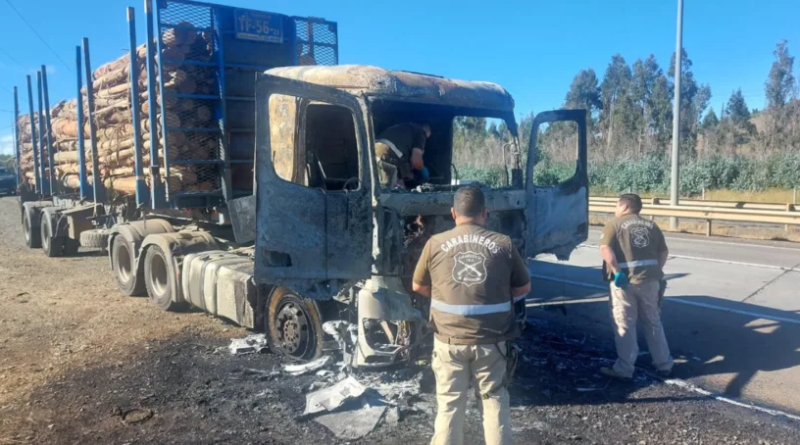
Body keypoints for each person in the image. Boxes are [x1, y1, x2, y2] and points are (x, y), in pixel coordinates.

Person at [412, 186, 530, 445]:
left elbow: (418, 286)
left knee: (450, 404)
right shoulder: (504, 244)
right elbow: (523, 288)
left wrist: (445, 294)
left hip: (448, 341)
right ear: (485, 213)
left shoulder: (435, 243)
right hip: (492, 341)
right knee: (493, 401)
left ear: (453, 213)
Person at [599, 193, 673, 380]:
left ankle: (624, 369)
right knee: (653, 322)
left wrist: (617, 271)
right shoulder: (652, 225)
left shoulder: (614, 225)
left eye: (617, 205)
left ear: (624, 207)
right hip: (651, 281)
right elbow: (664, 252)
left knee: (624, 324)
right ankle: (664, 364)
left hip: (624, 282)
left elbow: (605, 249)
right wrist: (655, 271)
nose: (616, 209)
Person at [375, 122, 430, 189]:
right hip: (385, 155)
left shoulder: (400, 130)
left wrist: (409, 176)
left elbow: (403, 169)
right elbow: (416, 162)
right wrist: (423, 170)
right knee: (387, 191)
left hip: (373, 154)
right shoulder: (421, 131)